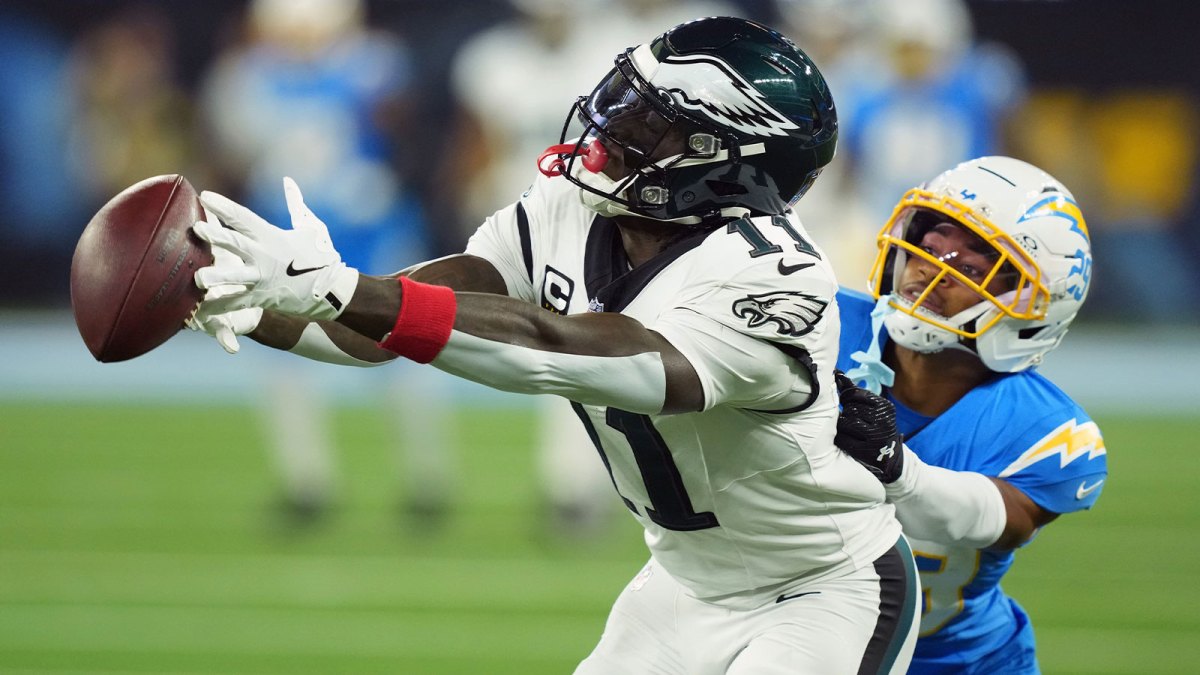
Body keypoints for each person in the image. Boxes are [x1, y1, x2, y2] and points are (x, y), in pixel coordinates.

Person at [187, 17, 919, 673]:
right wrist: (252, 300)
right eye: (623, 95)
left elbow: (576, 350)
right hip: (683, 581)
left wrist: (343, 289)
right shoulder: (569, 205)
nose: (610, 123)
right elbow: (402, 325)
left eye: (650, 121)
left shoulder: (777, 277)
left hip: (822, 586)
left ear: (722, 160)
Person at [832, 155, 1108, 674]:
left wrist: (894, 468)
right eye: (929, 248)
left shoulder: (1045, 431)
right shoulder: (818, 325)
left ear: (1032, 302)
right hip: (791, 635)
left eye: (968, 268)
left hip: (957, 662)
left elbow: (1001, 521)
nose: (927, 269)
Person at [197, 0, 456, 523]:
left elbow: (410, 135)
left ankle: (428, 479)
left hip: (370, 224)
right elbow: (232, 157)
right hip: (284, 235)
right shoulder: (245, 78)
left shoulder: (372, 64)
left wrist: (388, 183)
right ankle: (306, 482)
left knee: (406, 348)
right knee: (281, 355)